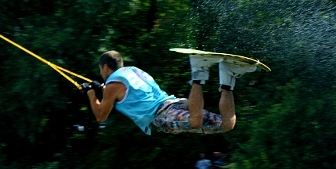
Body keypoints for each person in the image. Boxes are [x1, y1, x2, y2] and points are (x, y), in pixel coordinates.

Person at [81, 50, 256, 135]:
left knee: (195, 121)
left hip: (161, 114)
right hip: (173, 103)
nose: (101, 74)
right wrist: (103, 91)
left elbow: (101, 116)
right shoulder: (132, 71)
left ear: (105, 67)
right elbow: (133, 94)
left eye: (100, 70)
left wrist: (91, 94)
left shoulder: (113, 84)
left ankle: (198, 71)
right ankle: (227, 79)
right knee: (227, 125)